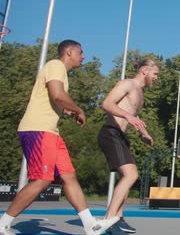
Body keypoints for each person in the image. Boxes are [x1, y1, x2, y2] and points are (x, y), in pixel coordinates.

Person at [0, 40, 119, 235]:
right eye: (80, 52)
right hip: (38, 129)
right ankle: (3, 224)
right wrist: (78, 109)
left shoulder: (61, 73)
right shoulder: (55, 65)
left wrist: (68, 111)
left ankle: (90, 224)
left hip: (51, 132)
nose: (83, 57)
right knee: (41, 179)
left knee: (69, 177)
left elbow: (56, 100)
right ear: (69, 52)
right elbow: (57, 94)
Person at [98, 59, 158, 234]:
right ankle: (108, 221)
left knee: (128, 177)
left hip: (121, 136)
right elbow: (107, 104)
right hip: (111, 132)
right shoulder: (127, 84)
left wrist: (144, 134)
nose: (156, 78)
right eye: (155, 74)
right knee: (131, 175)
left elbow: (134, 118)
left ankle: (118, 217)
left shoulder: (140, 94)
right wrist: (128, 116)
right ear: (145, 71)